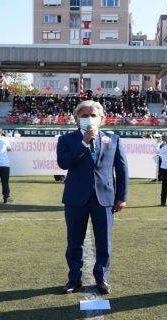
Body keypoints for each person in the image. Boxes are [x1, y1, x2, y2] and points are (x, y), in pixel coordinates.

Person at [57, 99, 129, 295]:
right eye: (84, 115)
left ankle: (101, 277)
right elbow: (63, 163)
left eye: (93, 115)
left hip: (105, 198)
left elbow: (121, 170)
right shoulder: (66, 140)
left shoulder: (114, 139)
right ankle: (74, 279)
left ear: (102, 118)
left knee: (104, 242)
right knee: (74, 242)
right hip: (75, 198)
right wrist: (84, 143)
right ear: (76, 118)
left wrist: (121, 196)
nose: (89, 119)